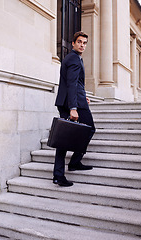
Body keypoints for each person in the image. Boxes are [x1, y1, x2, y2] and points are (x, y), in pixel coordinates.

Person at [53, 31, 95, 187]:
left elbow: (76, 83)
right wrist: (73, 107)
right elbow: (71, 83)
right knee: (90, 129)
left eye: (84, 43)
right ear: (73, 43)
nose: (82, 45)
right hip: (71, 103)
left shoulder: (73, 58)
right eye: (79, 42)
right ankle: (73, 163)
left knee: (63, 138)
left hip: (72, 100)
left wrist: (83, 96)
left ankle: (65, 169)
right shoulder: (74, 59)